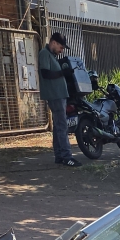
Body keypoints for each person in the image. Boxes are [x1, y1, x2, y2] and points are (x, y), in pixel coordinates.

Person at [38, 32, 79, 167]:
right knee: (62, 126)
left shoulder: (52, 56)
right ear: (54, 43)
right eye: (61, 47)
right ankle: (67, 156)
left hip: (59, 94)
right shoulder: (45, 54)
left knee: (58, 127)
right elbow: (45, 73)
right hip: (55, 95)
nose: (61, 50)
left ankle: (59, 155)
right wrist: (63, 73)